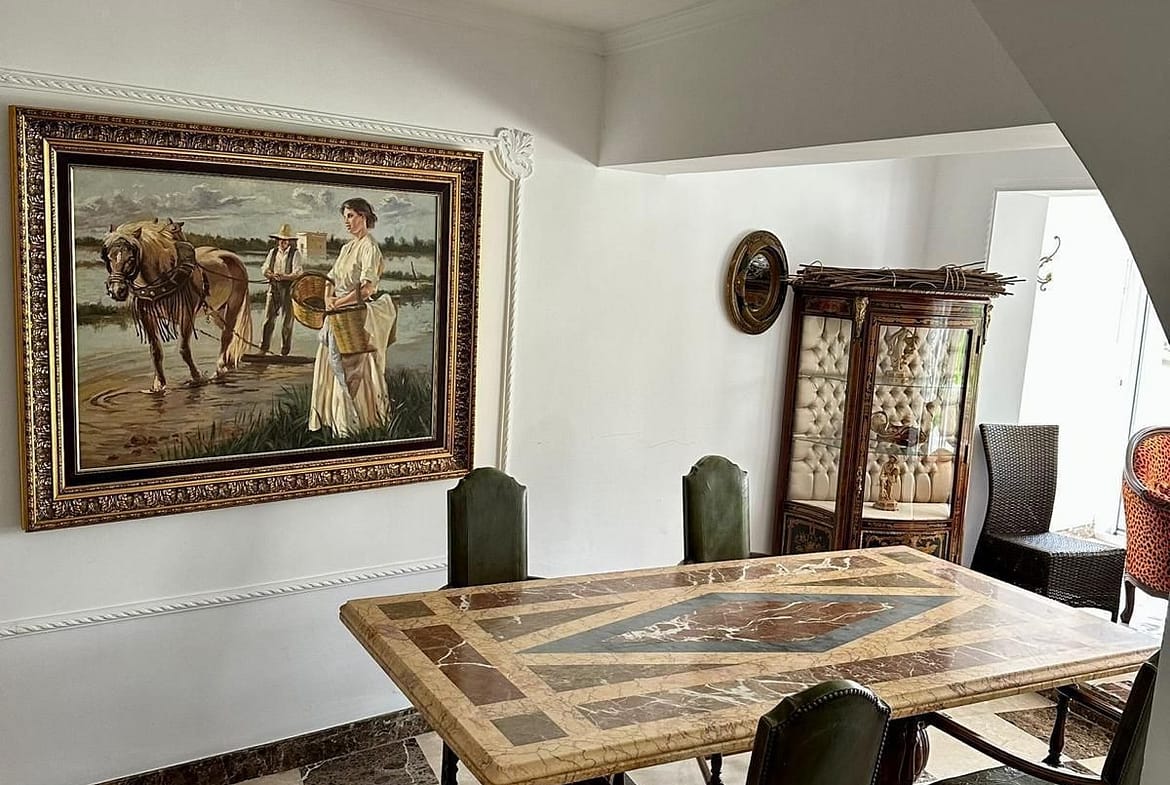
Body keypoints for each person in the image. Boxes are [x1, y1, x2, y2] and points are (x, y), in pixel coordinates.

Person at [309, 198, 398, 437]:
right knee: (331, 364)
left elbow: (367, 289)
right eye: (345, 217)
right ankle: (334, 421)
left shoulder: (370, 248)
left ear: (363, 216)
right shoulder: (346, 248)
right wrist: (328, 298)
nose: (346, 222)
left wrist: (338, 302)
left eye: (350, 216)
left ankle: (356, 425)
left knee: (353, 370)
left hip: (354, 318)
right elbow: (331, 278)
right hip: (337, 315)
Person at [259, 223, 304, 356]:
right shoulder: (272, 252)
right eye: (281, 240)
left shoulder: (295, 254)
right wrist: (269, 273)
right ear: (277, 240)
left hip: (289, 290)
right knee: (268, 319)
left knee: (287, 322)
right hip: (273, 288)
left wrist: (284, 276)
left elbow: (298, 273)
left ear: (289, 241)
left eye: (285, 240)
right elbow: (264, 267)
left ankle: (285, 351)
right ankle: (263, 348)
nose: (283, 242)